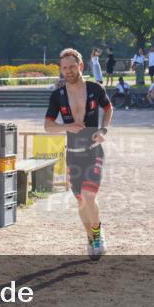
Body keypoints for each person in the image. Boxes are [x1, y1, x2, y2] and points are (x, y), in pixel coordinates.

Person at [44, 48, 113, 259]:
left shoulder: (95, 88)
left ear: (81, 66)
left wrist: (103, 130)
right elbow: (48, 125)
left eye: (72, 66)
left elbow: (108, 108)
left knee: (90, 195)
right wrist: (67, 127)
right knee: (81, 200)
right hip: (73, 154)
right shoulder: (58, 95)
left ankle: (97, 235)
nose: (69, 71)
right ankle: (91, 238)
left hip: (94, 151)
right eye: (65, 68)